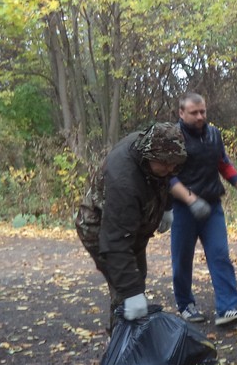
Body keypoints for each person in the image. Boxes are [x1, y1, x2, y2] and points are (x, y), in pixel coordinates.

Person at [75, 122, 188, 333]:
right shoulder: (124, 180)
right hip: (99, 226)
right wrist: (132, 293)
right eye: (164, 165)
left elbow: (167, 177)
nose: (170, 169)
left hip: (134, 223)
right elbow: (115, 242)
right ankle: (121, 350)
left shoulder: (160, 152)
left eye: (174, 165)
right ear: (149, 157)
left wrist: (166, 207)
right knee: (125, 288)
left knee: (137, 277)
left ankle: (131, 339)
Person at [169, 92, 237, 327]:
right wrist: (191, 200)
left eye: (203, 111)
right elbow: (168, 177)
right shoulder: (173, 138)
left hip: (212, 206)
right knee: (182, 260)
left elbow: (223, 163)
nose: (199, 116)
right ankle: (186, 305)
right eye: (194, 112)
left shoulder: (213, 134)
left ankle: (228, 309)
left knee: (219, 255)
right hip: (184, 209)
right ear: (181, 113)